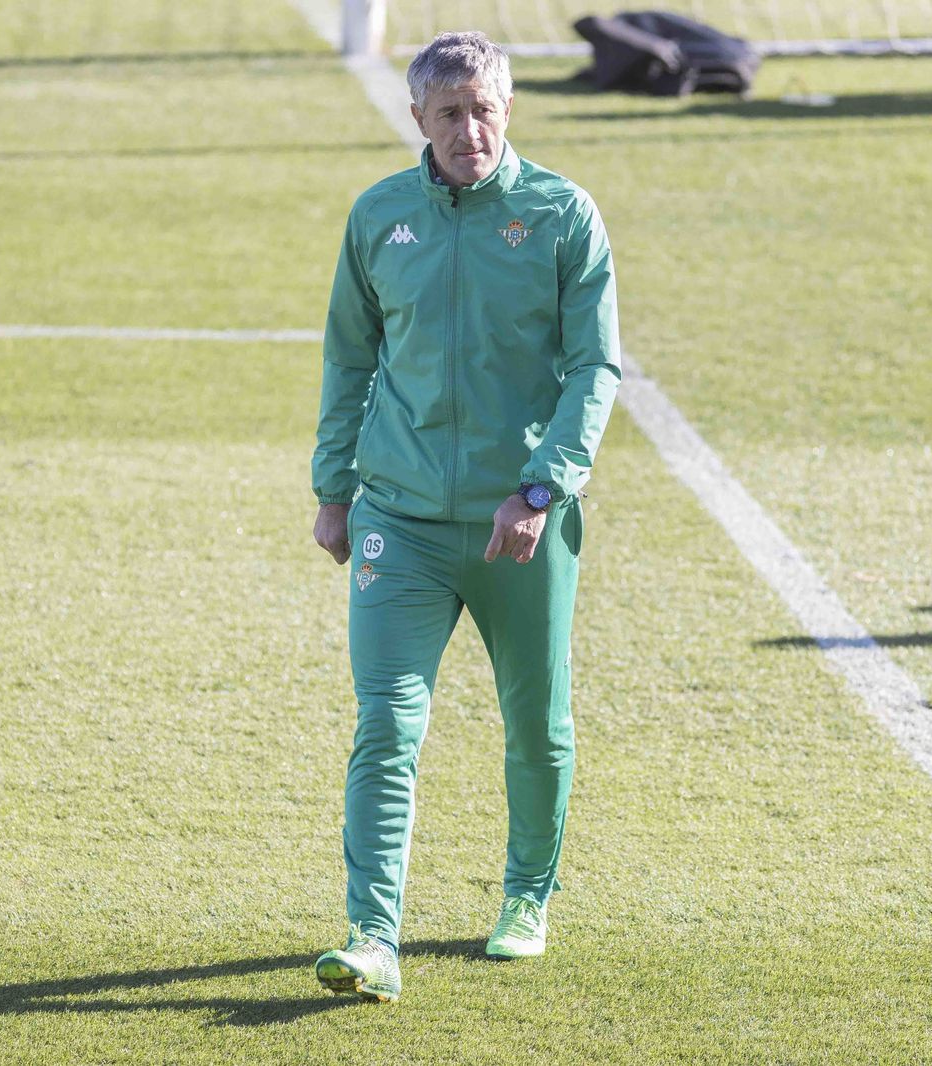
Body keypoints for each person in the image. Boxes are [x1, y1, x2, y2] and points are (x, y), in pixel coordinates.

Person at [309, 31, 621, 1003]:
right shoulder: (378, 216)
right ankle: (371, 936)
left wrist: (541, 489)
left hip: (516, 525)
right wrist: (333, 487)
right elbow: (349, 356)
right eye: (450, 112)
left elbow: (593, 368)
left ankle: (526, 896)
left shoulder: (560, 215)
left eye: (484, 108)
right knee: (386, 726)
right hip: (396, 522)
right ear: (419, 120)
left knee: (536, 723)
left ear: (508, 107)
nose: (469, 129)